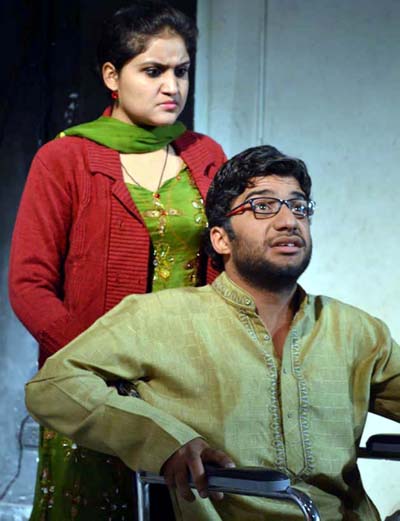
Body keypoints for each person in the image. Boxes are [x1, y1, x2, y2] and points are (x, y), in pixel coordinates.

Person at [25, 144, 400, 521]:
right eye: (263, 206)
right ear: (221, 239)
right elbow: (53, 385)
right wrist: (162, 440)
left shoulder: (355, 330)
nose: (289, 221)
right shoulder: (161, 318)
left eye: (299, 207)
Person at [9, 1, 226, 519]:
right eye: (153, 71)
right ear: (112, 76)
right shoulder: (65, 159)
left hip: (184, 388)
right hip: (93, 391)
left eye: (181, 71)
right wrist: (92, 364)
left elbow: (225, 271)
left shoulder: (205, 156)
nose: (171, 86)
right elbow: (29, 284)